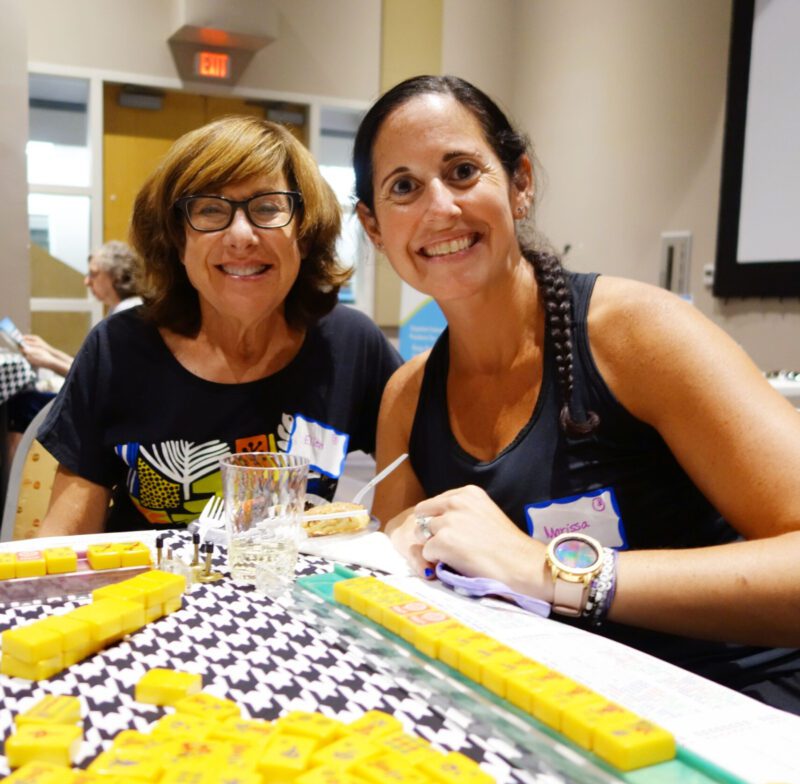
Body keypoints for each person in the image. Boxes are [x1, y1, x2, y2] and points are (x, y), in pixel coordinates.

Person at [353, 75, 800, 712]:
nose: (439, 209)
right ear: (374, 226)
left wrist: (554, 572)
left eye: (461, 171)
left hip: (736, 711)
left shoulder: (636, 335)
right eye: (403, 187)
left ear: (520, 183)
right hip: (553, 712)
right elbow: (408, 594)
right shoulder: (407, 396)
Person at [35, 115, 401, 534]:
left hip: (286, 594)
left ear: (303, 230)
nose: (241, 235)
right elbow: (63, 540)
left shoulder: (350, 344)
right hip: (144, 594)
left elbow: (421, 469)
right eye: (210, 210)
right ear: (177, 239)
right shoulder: (118, 348)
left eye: (267, 207)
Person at [5, 241, 143, 446]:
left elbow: (96, 378)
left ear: (117, 275)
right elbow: (89, 365)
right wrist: (47, 351)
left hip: (108, 409)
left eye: (94, 274)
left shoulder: (125, 318)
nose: (87, 282)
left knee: (23, 404)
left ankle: (13, 478)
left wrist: (48, 361)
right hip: (111, 404)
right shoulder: (125, 310)